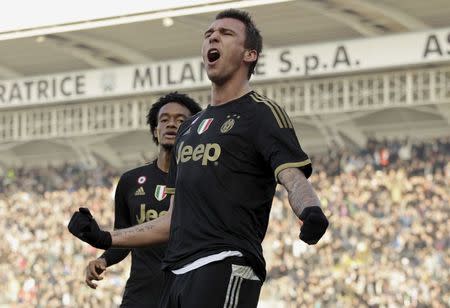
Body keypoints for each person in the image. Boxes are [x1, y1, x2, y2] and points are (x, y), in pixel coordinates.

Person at [69, 9, 329, 308]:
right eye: (208, 34)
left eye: (225, 33)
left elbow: (293, 177)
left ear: (249, 55)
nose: (213, 37)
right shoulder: (189, 129)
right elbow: (170, 220)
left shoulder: (261, 113)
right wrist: (105, 238)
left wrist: (310, 209)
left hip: (225, 264)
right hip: (175, 276)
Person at [83, 92, 201, 307]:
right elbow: (124, 236)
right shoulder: (130, 181)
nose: (171, 124)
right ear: (155, 130)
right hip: (141, 294)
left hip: (187, 291)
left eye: (180, 120)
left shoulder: (202, 181)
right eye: (164, 120)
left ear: (193, 129)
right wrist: (103, 259)